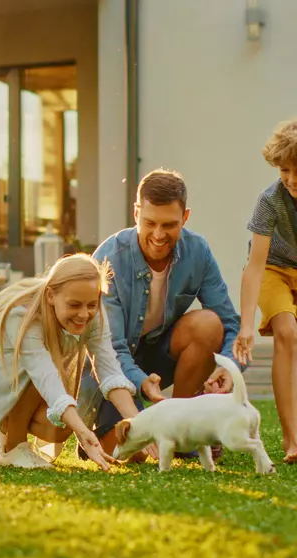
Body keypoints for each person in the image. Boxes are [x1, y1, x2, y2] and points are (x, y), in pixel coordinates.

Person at [0, 254, 155, 472]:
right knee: (46, 386)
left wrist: (141, 426)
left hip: (16, 376)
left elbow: (110, 372)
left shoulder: (92, 313)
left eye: (92, 304)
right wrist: (83, 431)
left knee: (59, 430)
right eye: (75, 305)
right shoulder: (23, 314)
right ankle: (13, 447)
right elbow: (44, 376)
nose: (84, 314)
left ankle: (8, 425)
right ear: (50, 295)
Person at [78, 169, 243, 458]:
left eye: (169, 225)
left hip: (159, 353)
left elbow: (230, 323)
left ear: (186, 217)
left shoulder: (198, 252)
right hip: (111, 366)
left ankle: (181, 428)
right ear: (136, 212)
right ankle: (109, 432)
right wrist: (141, 381)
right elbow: (111, 349)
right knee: (131, 452)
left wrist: (229, 368)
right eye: (149, 222)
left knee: (208, 324)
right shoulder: (109, 257)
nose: (158, 235)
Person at [234, 118, 297, 464]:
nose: (291, 179)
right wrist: (246, 325)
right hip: (274, 269)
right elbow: (255, 266)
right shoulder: (270, 201)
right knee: (286, 332)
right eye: (285, 170)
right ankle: (292, 441)